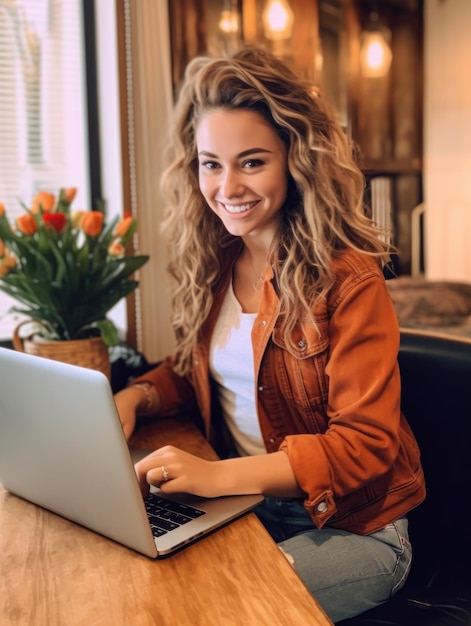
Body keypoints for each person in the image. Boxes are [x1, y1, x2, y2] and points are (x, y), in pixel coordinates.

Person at [114, 46, 425, 623]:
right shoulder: (216, 263)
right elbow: (197, 370)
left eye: (251, 162)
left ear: (294, 161)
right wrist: (135, 397)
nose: (226, 186)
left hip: (354, 529)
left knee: (203, 611)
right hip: (246, 506)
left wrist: (214, 475)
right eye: (211, 163)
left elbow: (366, 445)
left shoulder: (350, 280)